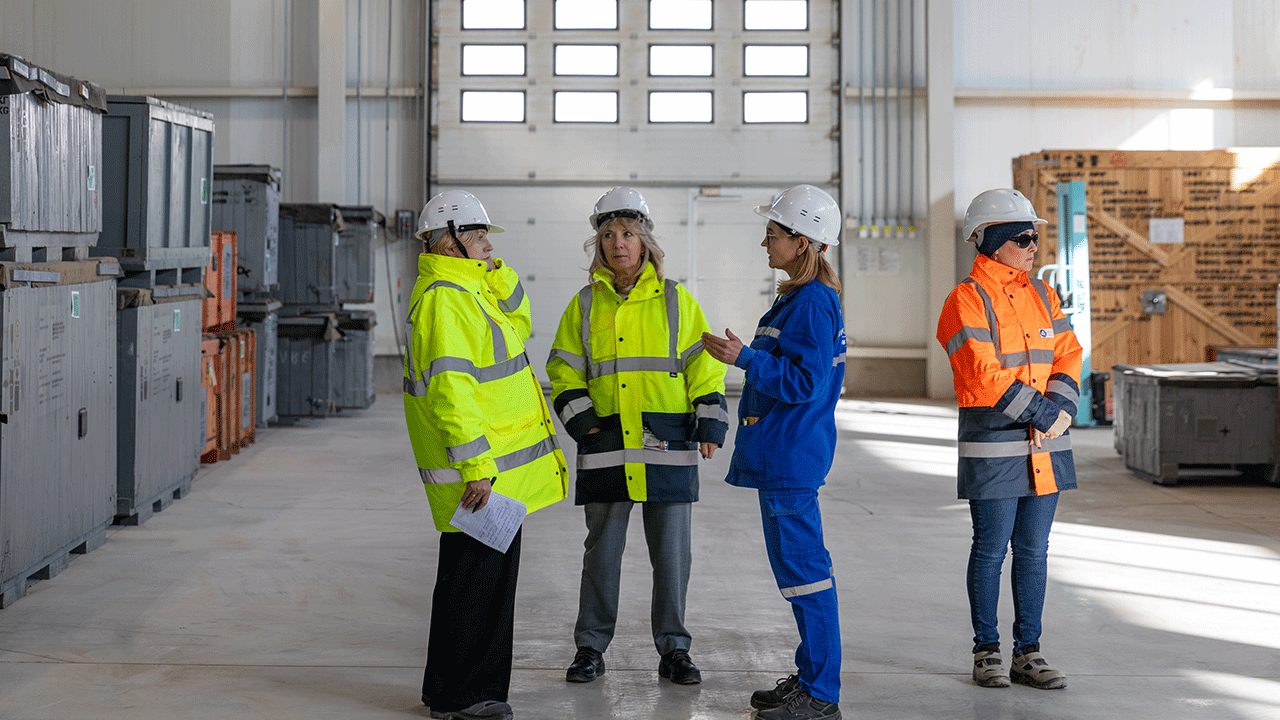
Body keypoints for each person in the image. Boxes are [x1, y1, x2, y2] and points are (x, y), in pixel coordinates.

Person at [546, 186, 728, 687]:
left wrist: (711, 421)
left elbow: (704, 368)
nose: (617, 243)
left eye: (627, 233)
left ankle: (675, 650)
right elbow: (562, 371)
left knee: (671, 559)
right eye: (607, 235)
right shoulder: (584, 306)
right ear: (598, 245)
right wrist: (583, 424)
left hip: (666, 448)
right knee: (600, 555)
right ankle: (590, 648)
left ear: (645, 240)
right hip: (606, 449)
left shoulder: (676, 302)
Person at [403, 189, 568, 720]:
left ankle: (446, 691)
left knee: (467, 583)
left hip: (492, 478)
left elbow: (519, 328)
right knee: (480, 590)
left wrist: (495, 275)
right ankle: (468, 698)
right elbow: (453, 391)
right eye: (475, 236)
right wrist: (477, 467)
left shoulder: (469, 293)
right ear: (447, 243)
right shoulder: (446, 300)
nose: (485, 245)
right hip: (481, 479)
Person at [701, 184, 846, 720]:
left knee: (807, 576)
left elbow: (805, 383)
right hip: (785, 454)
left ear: (803, 242)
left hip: (791, 456)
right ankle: (812, 679)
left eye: (773, 233)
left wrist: (745, 357)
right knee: (799, 575)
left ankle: (821, 693)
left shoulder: (811, 302)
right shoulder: (797, 298)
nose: (765, 242)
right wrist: (748, 353)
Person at [935, 188, 1081, 691]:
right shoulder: (966, 299)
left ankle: (1029, 653)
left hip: (1046, 444)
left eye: (1036, 236)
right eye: (1022, 237)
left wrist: (1061, 409)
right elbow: (982, 371)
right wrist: (1045, 413)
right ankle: (986, 651)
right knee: (992, 548)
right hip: (997, 445)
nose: (1033, 244)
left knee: (1035, 550)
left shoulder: (1044, 294)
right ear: (993, 242)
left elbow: (1068, 352)